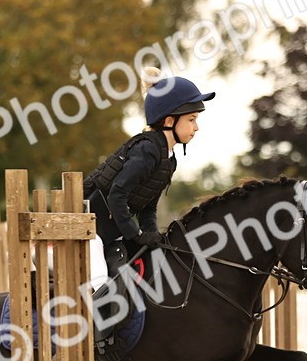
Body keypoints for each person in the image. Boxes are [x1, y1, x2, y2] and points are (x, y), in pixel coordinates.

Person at [84, 67, 215, 279]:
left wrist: (152, 236)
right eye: (191, 119)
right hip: (87, 230)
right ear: (170, 121)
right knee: (101, 284)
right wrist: (136, 235)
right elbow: (117, 194)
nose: (196, 127)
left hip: (111, 231)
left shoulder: (168, 159)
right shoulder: (147, 150)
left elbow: (147, 207)